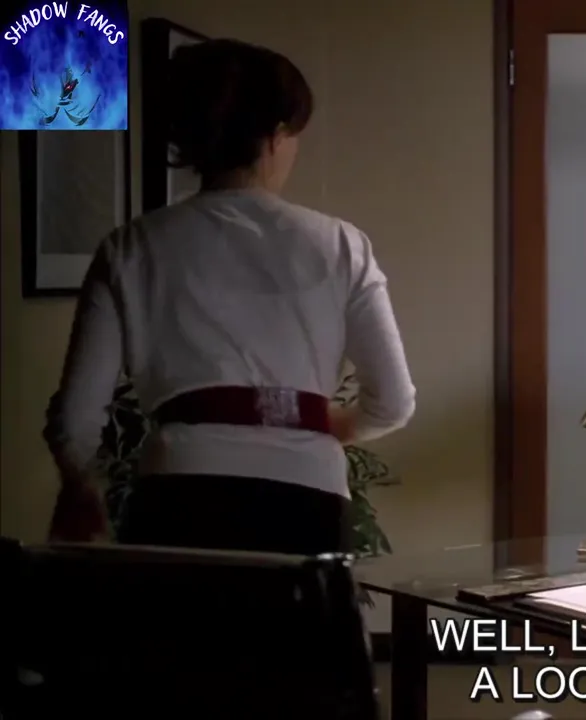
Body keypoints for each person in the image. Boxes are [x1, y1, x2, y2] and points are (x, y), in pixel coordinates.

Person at [43, 39, 416, 556]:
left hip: (177, 489)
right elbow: (393, 401)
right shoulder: (341, 245)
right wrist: (320, 422)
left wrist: (79, 485)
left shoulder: (130, 246)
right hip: (307, 495)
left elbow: (75, 420)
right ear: (275, 136)